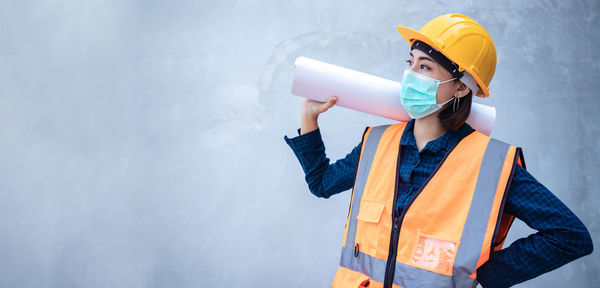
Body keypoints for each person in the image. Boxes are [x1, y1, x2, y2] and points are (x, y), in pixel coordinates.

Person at [284, 14, 593, 288]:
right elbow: (322, 183)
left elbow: (569, 236)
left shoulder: (490, 165)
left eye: (425, 67)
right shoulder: (377, 144)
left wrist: (484, 274)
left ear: (460, 87)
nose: (410, 75)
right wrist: (309, 118)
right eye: (410, 63)